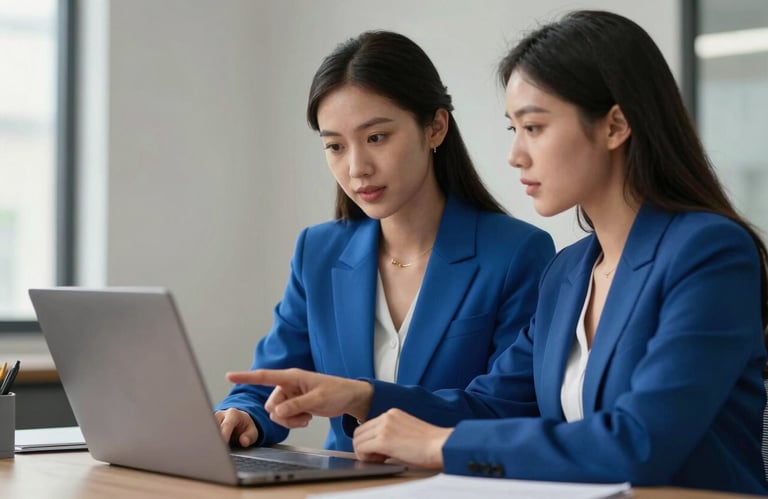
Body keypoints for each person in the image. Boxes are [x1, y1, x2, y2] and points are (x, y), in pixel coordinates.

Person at [227, 11, 768, 494]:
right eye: (515, 129)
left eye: (533, 127)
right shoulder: (569, 271)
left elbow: (639, 440)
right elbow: (492, 405)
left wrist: (440, 445)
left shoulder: (709, 252)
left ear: (615, 125)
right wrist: (361, 397)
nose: (514, 155)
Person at [215, 31, 555, 452]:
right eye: (335, 146)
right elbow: (274, 379)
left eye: (376, 137)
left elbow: (507, 407)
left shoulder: (517, 253)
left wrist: (365, 398)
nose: (357, 168)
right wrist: (244, 414)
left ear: (435, 128)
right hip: (339, 488)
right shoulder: (318, 252)